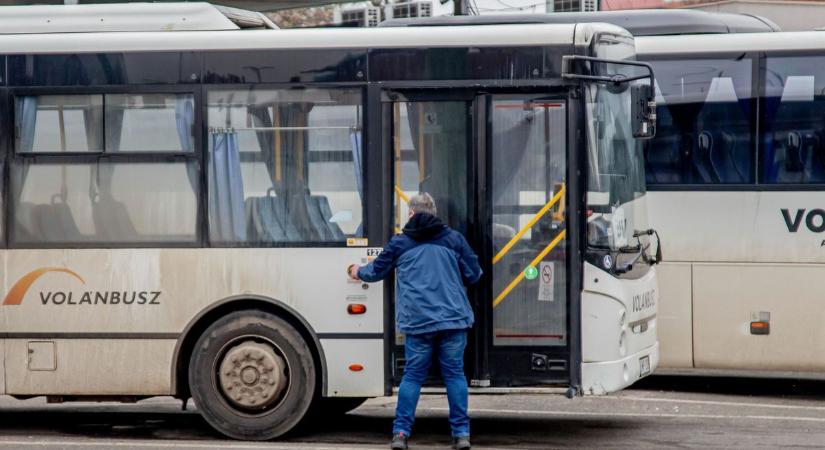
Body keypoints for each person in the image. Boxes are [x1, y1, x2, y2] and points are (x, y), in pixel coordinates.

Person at [348, 193, 482, 450]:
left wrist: (356, 271)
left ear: (411, 214)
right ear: (434, 212)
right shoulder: (454, 239)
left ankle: (401, 434)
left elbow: (374, 272)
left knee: (412, 377)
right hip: (453, 320)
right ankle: (461, 435)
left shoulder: (400, 243)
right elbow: (474, 274)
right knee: (455, 375)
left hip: (418, 323)